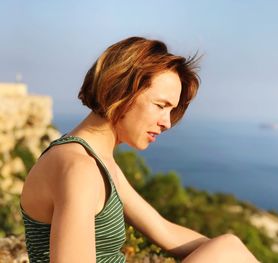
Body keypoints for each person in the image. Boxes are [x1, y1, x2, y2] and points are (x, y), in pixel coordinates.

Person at [20, 36, 259, 263]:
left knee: (229, 248)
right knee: (227, 246)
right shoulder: (79, 168)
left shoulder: (99, 163)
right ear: (122, 90)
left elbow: (165, 232)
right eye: (160, 106)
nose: (167, 122)